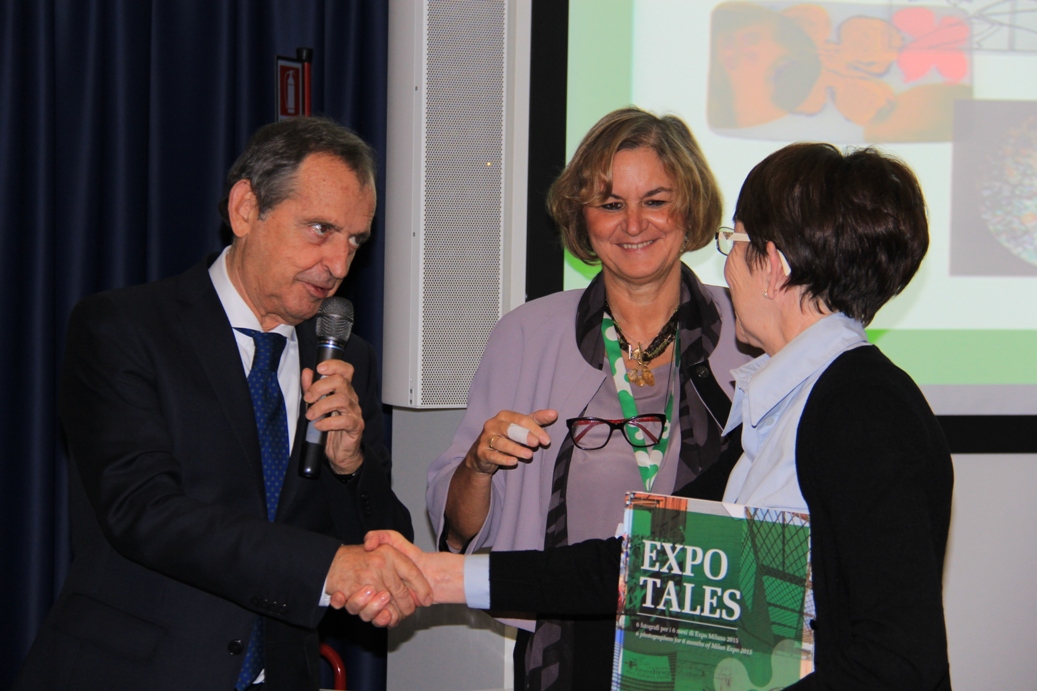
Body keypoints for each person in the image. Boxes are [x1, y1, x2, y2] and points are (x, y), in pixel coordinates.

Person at [372, 143, 953, 689]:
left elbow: (898, 659)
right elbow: (643, 560)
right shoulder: (788, 404)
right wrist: (439, 575)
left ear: (773, 264)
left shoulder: (864, 409)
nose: (728, 268)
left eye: (734, 242)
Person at [14, 117, 430, 691]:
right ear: (245, 209)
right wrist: (325, 567)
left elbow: (386, 540)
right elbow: (144, 511)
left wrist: (352, 464)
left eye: (355, 240)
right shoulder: (124, 328)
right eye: (320, 229)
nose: (338, 264)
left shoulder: (347, 356)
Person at [425, 107, 753, 690]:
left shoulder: (749, 330)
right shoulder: (527, 335)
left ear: (690, 209)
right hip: (569, 647)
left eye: (656, 200)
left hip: (722, 644)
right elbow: (458, 530)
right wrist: (478, 466)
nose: (634, 224)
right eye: (610, 203)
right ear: (582, 216)